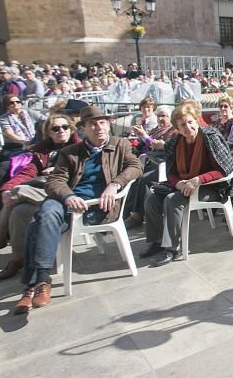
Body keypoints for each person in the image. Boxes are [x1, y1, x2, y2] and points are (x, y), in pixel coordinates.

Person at [15, 106, 142, 314]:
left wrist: (115, 184)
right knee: (46, 212)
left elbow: (136, 167)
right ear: (82, 129)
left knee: (36, 223)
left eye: (102, 122)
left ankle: (33, 285)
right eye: (92, 124)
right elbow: (55, 180)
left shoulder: (120, 145)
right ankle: (41, 282)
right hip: (69, 203)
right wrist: (69, 196)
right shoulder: (70, 152)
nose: (98, 127)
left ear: (109, 123)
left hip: (97, 207)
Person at [0, 113, 80, 278]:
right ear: (48, 132)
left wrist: (56, 172)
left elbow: (80, 174)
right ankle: (17, 258)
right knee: (19, 210)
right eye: (55, 128)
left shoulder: (78, 147)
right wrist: (7, 189)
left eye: (65, 127)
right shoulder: (42, 150)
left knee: (18, 192)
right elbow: (28, 172)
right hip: (41, 192)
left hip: (65, 193)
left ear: (71, 129)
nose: (61, 131)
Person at [140, 102, 233, 267]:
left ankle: (172, 248)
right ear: (177, 127)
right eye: (182, 125)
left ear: (196, 120)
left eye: (190, 122)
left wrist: (198, 180)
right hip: (183, 185)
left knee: (173, 200)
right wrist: (178, 184)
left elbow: (225, 169)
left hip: (210, 187)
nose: (187, 127)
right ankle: (157, 242)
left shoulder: (210, 137)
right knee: (152, 199)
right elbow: (171, 172)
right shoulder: (174, 143)